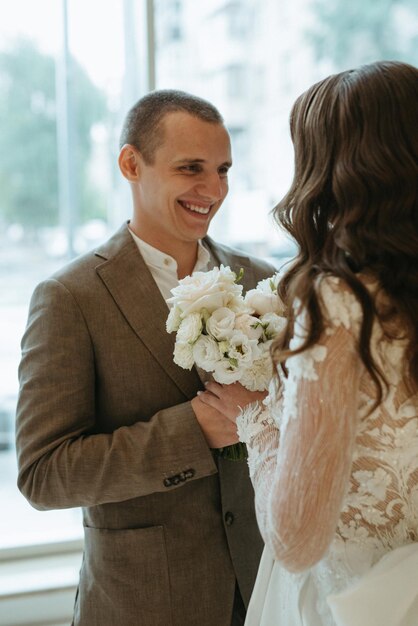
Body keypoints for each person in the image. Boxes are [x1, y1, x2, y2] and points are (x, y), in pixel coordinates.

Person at [15, 90, 276, 626]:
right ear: (131, 164)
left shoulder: (263, 281)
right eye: (191, 169)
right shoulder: (70, 297)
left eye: (223, 169)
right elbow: (43, 474)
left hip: (267, 595)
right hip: (143, 603)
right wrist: (192, 431)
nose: (213, 189)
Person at [198, 61, 418, 626]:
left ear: (334, 169)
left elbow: (296, 539)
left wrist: (256, 419)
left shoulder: (338, 301)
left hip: (361, 605)